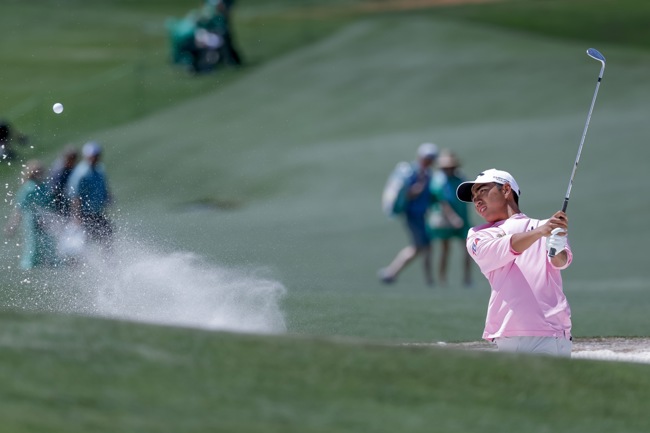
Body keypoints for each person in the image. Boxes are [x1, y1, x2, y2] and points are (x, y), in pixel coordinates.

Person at [456, 168, 573, 357]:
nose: (477, 200)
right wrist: (541, 232)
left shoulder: (546, 227)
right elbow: (501, 249)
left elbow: (560, 262)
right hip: (507, 334)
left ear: (506, 189)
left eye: (482, 191)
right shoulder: (477, 235)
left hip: (550, 331)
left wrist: (557, 245)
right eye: (474, 197)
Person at [379, 143, 439, 286]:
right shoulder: (410, 173)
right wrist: (414, 192)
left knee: (422, 247)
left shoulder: (427, 174)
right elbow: (403, 193)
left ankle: (394, 273)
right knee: (420, 246)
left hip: (421, 214)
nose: (429, 161)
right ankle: (393, 273)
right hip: (413, 214)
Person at [428, 150, 473, 287]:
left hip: (462, 217)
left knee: (468, 248)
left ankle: (467, 279)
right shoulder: (438, 181)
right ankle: (442, 279)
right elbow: (443, 202)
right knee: (445, 250)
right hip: (445, 220)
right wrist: (453, 218)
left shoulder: (460, 178)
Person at [4, 160, 58, 269]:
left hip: (45, 218)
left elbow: (50, 204)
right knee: (33, 243)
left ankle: (49, 261)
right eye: (37, 171)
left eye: (41, 171)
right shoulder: (28, 188)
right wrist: (13, 225)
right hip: (32, 219)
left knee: (49, 241)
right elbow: (19, 208)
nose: (40, 174)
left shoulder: (44, 186)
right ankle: (29, 264)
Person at [66, 142, 113, 246]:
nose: (96, 158)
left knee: (107, 235)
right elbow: (75, 196)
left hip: (97, 212)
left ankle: (107, 256)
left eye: (97, 155)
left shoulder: (100, 169)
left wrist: (108, 196)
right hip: (85, 214)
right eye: (93, 156)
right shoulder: (81, 173)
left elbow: (103, 185)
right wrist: (77, 217)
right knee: (84, 242)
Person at [47, 145, 79, 218]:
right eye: (72, 159)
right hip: (58, 200)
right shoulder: (59, 170)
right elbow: (55, 190)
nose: (74, 162)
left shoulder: (71, 168)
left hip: (67, 199)